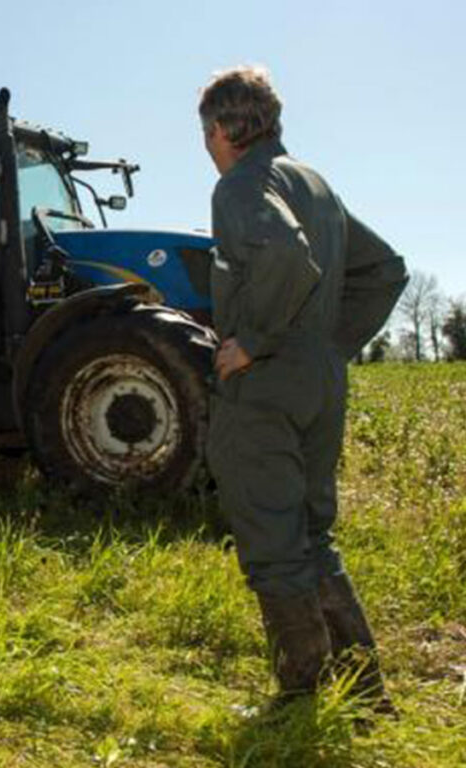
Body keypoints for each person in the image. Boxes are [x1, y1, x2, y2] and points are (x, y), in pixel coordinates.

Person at [199, 66, 407, 710]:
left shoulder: (241, 185)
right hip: (320, 380)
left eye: (205, 131)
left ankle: (301, 695)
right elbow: (384, 271)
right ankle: (365, 692)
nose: (205, 144)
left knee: (272, 541)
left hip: (266, 384)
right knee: (314, 536)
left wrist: (255, 341)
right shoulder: (314, 183)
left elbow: (287, 256)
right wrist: (328, 344)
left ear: (221, 129)